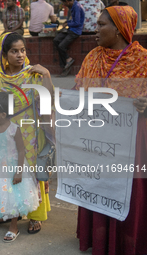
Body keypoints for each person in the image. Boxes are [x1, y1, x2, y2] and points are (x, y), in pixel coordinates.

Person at [74, 6, 147, 255]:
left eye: (102, 25)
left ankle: (125, 239)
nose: (96, 30)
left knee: (127, 191)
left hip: (130, 143)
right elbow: (76, 94)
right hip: (97, 140)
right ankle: (98, 236)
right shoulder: (93, 57)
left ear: (118, 29)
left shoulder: (142, 60)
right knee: (97, 187)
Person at [0, 32, 54, 235]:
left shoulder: (33, 74)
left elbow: (47, 102)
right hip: (6, 131)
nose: (20, 55)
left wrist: (47, 75)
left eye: (23, 50)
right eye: (14, 51)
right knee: (8, 170)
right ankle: (11, 208)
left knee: (30, 169)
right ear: (4, 54)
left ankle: (34, 214)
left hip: (30, 130)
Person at [0, 92, 40, 242]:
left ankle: (13, 225)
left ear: (3, 114)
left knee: (13, 196)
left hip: (11, 168)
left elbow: (21, 150)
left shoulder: (14, 129)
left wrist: (19, 171)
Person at [53, 0, 84, 76]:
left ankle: (67, 61)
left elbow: (77, 23)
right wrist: (67, 22)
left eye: (64, 3)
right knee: (56, 40)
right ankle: (66, 61)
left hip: (75, 31)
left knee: (61, 46)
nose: (64, 5)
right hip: (70, 29)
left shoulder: (77, 7)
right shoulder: (73, 6)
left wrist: (67, 23)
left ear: (68, 1)